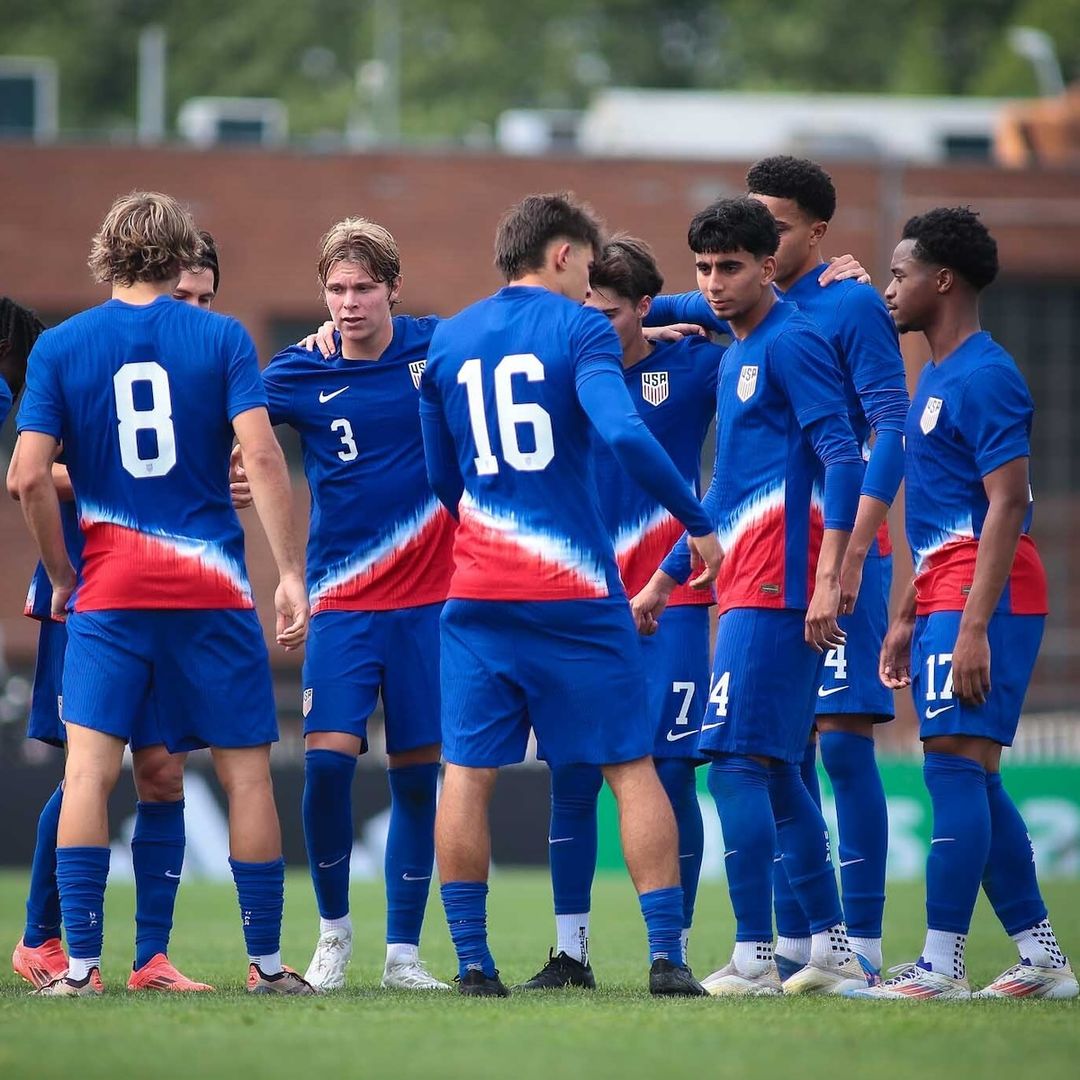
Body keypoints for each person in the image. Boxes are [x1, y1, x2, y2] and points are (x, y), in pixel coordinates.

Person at [419, 191, 722, 997]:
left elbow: (440, 476)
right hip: (577, 593)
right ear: (561, 254)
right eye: (587, 265)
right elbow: (623, 432)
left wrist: (488, 526)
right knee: (629, 766)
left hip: (477, 592)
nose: (591, 285)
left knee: (467, 773)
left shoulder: (449, 338)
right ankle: (667, 958)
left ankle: (473, 964)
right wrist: (697, 522)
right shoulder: (581, 328)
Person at [15, 190, 313, 996]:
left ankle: (81, 968)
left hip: (110, 594)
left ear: (106, 254)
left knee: (87, 777)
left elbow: (28, 477)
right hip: (211, 592)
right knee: (247, 777)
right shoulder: (222, 337)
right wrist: (289, 573)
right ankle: (266, 965)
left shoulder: (63, 345)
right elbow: (264, 458)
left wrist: (66, 576)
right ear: (180, 253)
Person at [633, 197, 867, 996]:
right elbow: (726, 490)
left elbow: (844, 455)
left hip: (781, 583)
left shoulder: (792, 341)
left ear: (769, 266)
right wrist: (664, 579)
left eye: (729, 267)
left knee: (732, 765)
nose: (713, 282)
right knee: (774, 770)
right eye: (703, 268)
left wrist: (829, 577)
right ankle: (832, 950)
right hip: (745, 581)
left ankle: (755, 957)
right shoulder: (739, 352)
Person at [853, 207, 1076, 1001]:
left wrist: (973, 625)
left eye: (899, 275)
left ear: (941, 281)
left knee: (953, 763)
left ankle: (941, 965)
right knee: (970, 773)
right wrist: (907, 614)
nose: (889, 290)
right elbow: (946, 514)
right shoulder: (937, 378)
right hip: (947, 594)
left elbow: (1008, 503)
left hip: (989, 597)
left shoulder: (985, 375)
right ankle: (1042, 959)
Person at [234, 217, 453, 991]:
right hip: (342, 602)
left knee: (417, 780)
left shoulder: (438, 347)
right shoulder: (299, 369)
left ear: (394, 287)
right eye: (336, 289)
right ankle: (333, 934)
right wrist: (236, 468)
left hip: (432, 604)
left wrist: (661, 321)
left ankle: (403, 957)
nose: (350, 302)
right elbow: (231, 429)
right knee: (325, 767)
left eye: (363, 287)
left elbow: (533, 337)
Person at [9, 235, 228, 993]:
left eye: (205, 300)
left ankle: (151, 960)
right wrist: (120, 484)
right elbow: (31, 470)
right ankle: (42, 939)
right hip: (87, 589)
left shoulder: (203, 364)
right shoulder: (89, 353)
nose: (191, 310)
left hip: (174, 594)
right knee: (87, 771)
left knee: (163, 772)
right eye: (183, 295)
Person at [516, 236, 721, 990]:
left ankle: (674, 953)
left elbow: (761, 317)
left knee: (670, 773)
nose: (590, 325)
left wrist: (672, 313)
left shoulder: (694, 366)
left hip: (675, 599)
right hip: (581, 601)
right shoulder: (558, 371)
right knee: (572, 775)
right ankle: (571, 954)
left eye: (607, 313)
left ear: (641, 307)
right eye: (583, 311)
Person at [743, 156, 909, 983]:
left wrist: (848, 558)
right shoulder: (751, 304)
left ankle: (865, 942)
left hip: (841, 558)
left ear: (817, 232)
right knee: (785, 752)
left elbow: (890, 427)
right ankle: (803, 940)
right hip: (775, 560)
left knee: (842, 745)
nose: (762, 240)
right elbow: (648, 303)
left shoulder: (850, 303)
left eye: (775, 226)